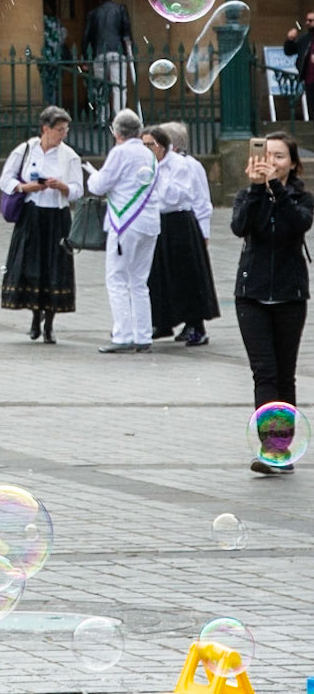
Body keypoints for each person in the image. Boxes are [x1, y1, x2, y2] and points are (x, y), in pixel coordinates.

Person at [233, 129, 312, 473]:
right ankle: (271, 450)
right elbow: (240, 227)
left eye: (280, 156)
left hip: (289, 295)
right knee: (264, 372)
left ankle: (283, 450)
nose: (272, 161)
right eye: (267, 154)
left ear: (293, 164)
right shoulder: (247, 195)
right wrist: (255, 189)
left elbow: (298, 225)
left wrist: (276, 190)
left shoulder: (301, 198)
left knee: (285, 374)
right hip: (251, 295)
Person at [0, 105, 84, 344]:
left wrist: (62, 186)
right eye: (59, 129)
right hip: (32, 215)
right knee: (31, 265)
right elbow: (5, 179)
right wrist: (25, 188)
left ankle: (50, 325)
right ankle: (35, 319)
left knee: (55, 268)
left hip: (57, 216)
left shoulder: (69, 156)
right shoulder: (26, 149)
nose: (63, 134)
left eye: (65, 129)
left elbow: (78, 190)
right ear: (45, 129)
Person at [88, 108, 162, 353]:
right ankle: (143, 334)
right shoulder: (150, 154)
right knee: (140, 282)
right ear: (138, 131)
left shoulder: (119, 152)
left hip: (125, 223)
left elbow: (99, 185)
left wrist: (93, 177)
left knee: (117, 279)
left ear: (116, 132)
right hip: (149, 222)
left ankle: (122, 335)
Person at [146, 122, 218, 347]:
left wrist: (204, 231)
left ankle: (195, 324)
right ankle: (162, 321)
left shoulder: (186, 165)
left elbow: (197, 199)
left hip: (180, 223)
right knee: (158, 274)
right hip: (158, 221)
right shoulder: (150, 164)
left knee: (186, 274)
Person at [82, 0, 134, 119]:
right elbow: (126, 31)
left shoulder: (93, 13)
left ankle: (102, 117)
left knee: (101, 86)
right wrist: (130, 49)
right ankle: (118, 117)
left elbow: (86, 36)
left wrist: (86, 57)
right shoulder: (121, 9)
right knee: (119, 86)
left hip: (100, 52)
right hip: (117, 51)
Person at [284, 9, 314, 92]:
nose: (307, 23)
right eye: (307, 20)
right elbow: (289, 51)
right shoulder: (304, 38)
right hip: (309, 81)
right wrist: (290, 40)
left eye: (311, 20)